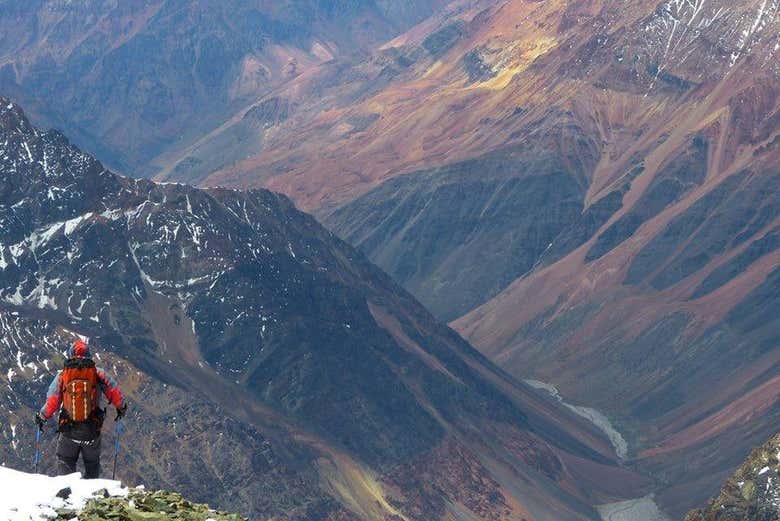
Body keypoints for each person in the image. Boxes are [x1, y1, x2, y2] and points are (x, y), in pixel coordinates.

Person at [34, 339, 127, 479]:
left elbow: (53, 401)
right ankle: (92, 491)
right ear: (89, 355)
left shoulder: (63, 375)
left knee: (65, 459)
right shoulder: (98, 373)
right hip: (91, 429)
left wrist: (42, 416)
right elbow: (114, 392)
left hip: (68, 429)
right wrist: (121, 408)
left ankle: (67, 490)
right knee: (92, 463)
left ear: (71, 354)